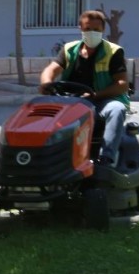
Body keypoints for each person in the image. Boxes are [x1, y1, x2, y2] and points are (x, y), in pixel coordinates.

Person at [38, 10, 129, 169]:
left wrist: (95, 95)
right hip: (73, 101)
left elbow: (122, 84)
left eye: (96, 29)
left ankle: (106, 160)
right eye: (87, 29)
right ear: (80, 28)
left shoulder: (113, 52)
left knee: (117, 109)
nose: (92, 33)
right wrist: (46, 83)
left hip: (102, 100)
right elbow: (51, 70)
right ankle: (49, 156)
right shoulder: (69, 50)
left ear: (103, 31)